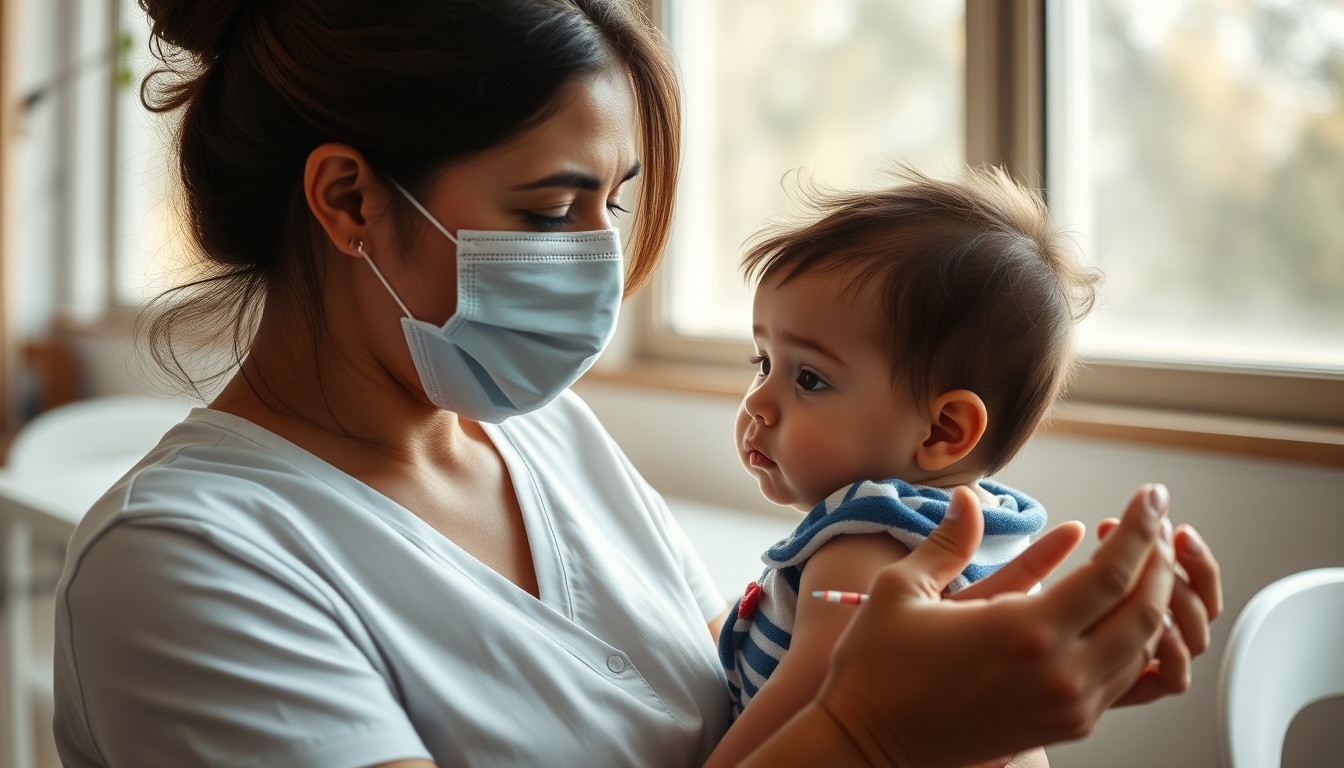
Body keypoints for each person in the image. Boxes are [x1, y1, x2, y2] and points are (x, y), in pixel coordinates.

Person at [51, 1, 1222, 767]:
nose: (599, 259)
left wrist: (999, 678)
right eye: (549, 209)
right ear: (350, 200)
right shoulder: (185, 565)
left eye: (609, 205)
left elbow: (710, 704)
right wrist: (872, 734)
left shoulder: (547, 436)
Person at [711, 167, 1099, 768]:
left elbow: (801, 701)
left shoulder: (865, 546)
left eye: (808, 378)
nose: (757, 402)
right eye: (762, 362)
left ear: (944, 431)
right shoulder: (994, 530)